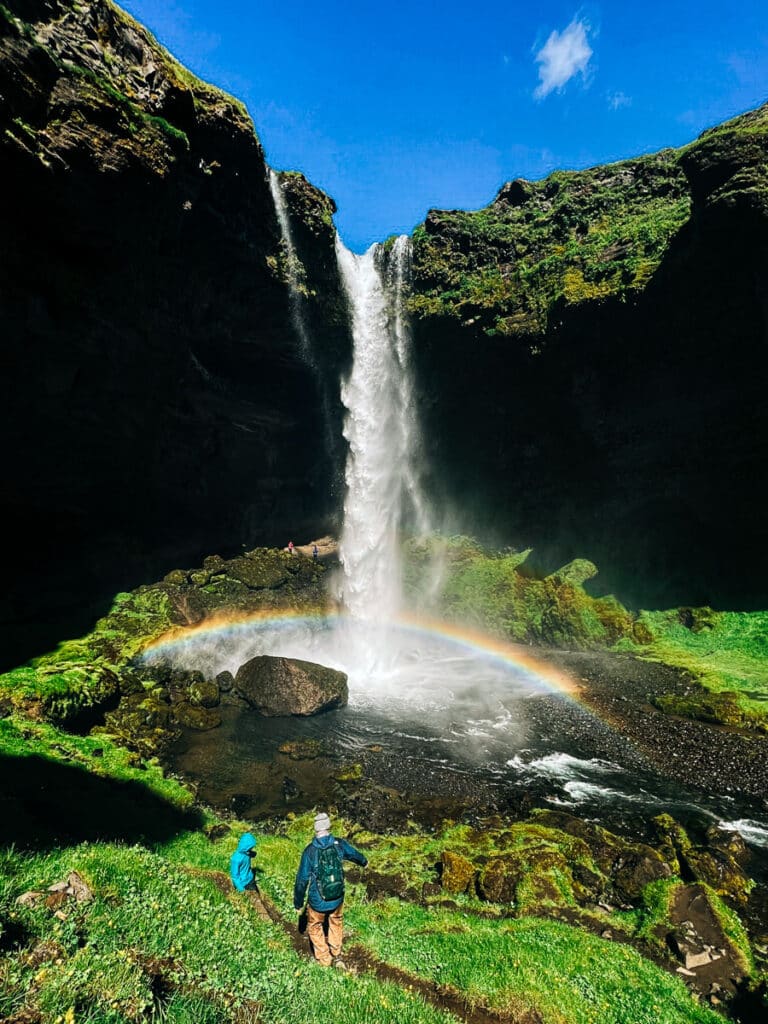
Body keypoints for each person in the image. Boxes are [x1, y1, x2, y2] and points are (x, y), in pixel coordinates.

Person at [293, 812, 367, 969]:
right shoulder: (338, 844)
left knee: (314, 926)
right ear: (328, 826)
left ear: (316, 829)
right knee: (336, 921)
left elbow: (302, 880)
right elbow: (354, 854)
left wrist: (298, 902)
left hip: (317, 901)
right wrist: (364, 862)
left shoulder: (309, 851)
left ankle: (324, 959)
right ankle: (337, 953)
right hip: (337, 897)